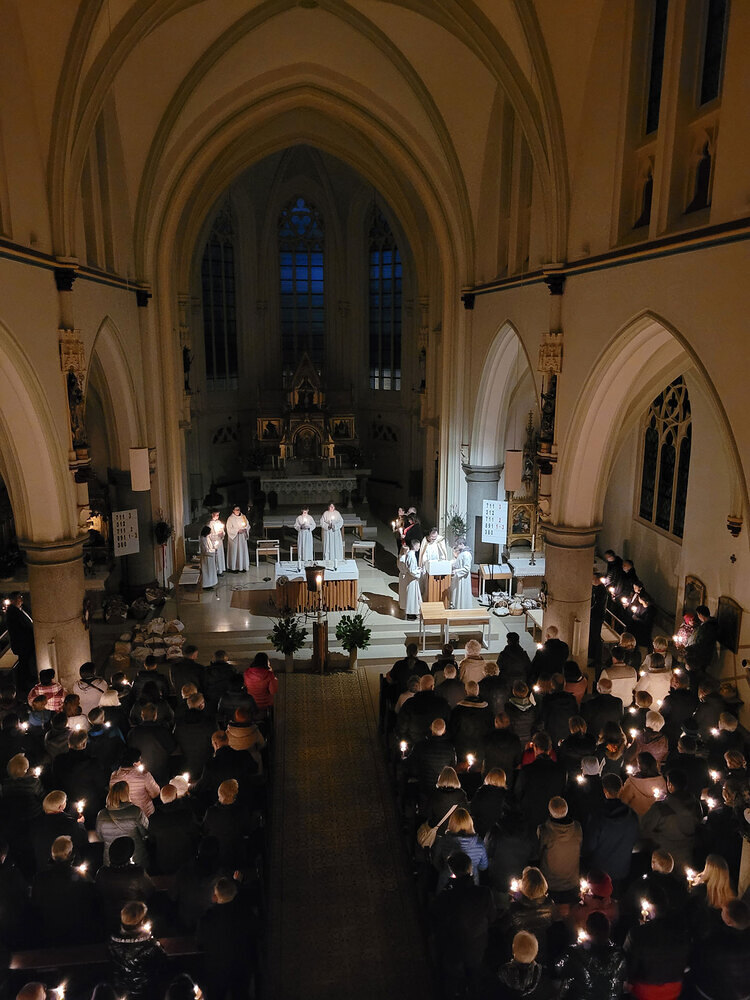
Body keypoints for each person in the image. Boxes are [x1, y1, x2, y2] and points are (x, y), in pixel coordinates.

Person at [428, 852, 495, 1000]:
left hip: (453, 948)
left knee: (451, 980)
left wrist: (448, 886)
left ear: (452, 870)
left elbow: (433, 912)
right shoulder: (484, 893)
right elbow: (492, 918)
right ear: (470, 868)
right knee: (474, 977)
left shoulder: (447, 896)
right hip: (477, 947)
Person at [197, 876, 260, 1000]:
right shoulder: (245, 913)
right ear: (234, 893)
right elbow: (256, 932)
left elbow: (200, 943)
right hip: (241, 966)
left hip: (216, 968)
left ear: (216, 894)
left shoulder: (207, 918)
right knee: (241, 995)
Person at [108, 901, 167, 1000]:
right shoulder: (150, 946)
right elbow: (163, 963)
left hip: (122, 992)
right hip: (147, 991)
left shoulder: (112, 943)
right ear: (142, 921)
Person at [96, 780, 149, 867]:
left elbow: (100, 837)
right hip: (134, 857)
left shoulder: (101, 814)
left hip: (111, 860)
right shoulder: (136, 811)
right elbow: (145, 832)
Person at [5, 592, 36, 693]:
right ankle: (24, 685)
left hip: (26, 643)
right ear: (13, 600)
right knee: (24, 664)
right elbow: (19, 629)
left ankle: (27, 682)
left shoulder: (21, 609)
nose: (21, 599)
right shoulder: (12, 613)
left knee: (26, 663)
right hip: (23, 644)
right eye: (19, 597)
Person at [402, 537, 423, 620]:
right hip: (412, 579)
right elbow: (411, 570)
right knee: (412, 596)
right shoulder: (411, 555)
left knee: (414, 596)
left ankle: (413, 612)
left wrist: (417, 569)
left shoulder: (410, 554)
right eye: (418, 545)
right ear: (414, 546)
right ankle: (411, 613)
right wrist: (418, 572)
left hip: (412, 578)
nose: (419, 547)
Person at [450, 538, 473, 609]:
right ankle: (458, 606)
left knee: (462, 593)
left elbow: (467, 568)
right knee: (458, 592)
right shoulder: (462, 553)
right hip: (459, 577)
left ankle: (462, 607)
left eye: (457, 545)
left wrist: (456, 571)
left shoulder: (466, 554)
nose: (456, 546)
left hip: (463, 578)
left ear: (462, 544)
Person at [225, 506, 250, 572]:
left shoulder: (243, 517)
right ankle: (234, 567)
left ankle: (242, 567)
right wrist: (237, 531)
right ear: (233, 510)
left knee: (242, 552)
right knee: (234, 552)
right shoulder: (230, 518)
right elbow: (229, 528)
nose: (238, 511)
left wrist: (245, 529)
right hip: (234, 539)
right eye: (236, 509)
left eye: (238, 509)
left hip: (242, 538)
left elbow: (247, 525)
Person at [207, 509, 226, 575]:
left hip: (219, 541)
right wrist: (217, 535)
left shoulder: (219, 522)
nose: (218, 516)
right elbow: (209, 534)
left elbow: (222, 531)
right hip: (214, 542)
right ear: (212, 515)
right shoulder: (210, 524)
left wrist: (222, 534)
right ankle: (215, 570)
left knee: (220, 556)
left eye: (218, 515)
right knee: (215, 556)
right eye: (217, 515)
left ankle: (220, 570)